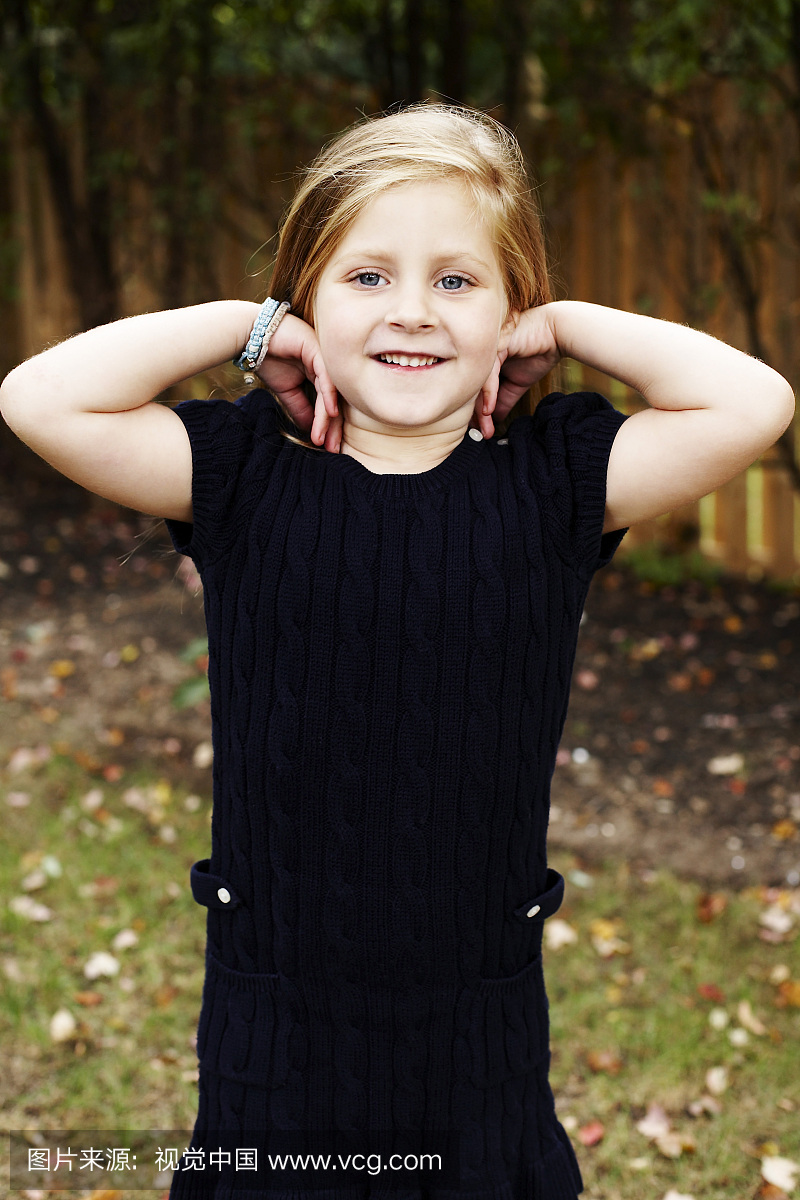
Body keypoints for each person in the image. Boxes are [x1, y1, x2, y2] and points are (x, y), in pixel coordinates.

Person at [0, 103, 793, 1200]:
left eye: (457, 281)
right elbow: (38, 397)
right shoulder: (240, 474)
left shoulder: (555, 480)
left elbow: (751, 401)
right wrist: (247, 320)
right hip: (275, 1003)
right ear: (306, 303)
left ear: (508, 311)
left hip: (473, 1009)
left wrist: (562, 323)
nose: (411, 312)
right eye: (365, 278)